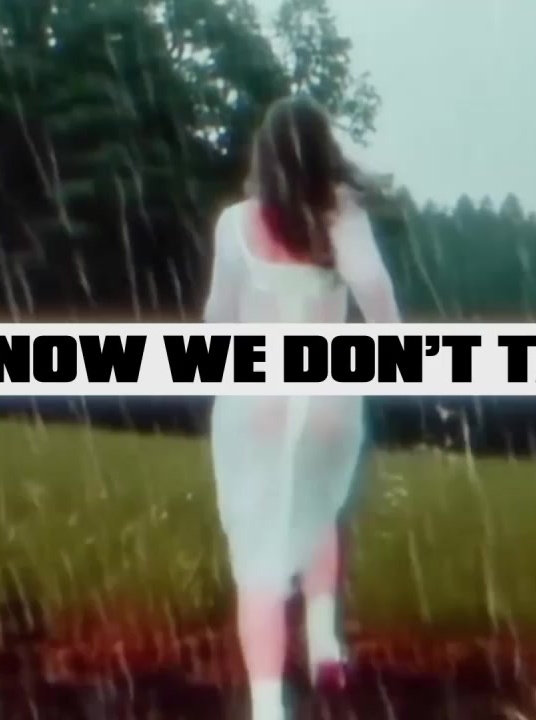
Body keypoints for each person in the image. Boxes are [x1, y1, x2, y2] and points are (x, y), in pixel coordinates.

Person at [201, 95, 402, 720]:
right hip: (329, 405)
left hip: (257, 404)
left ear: (263, 156)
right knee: (320, 506)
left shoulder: (235, 225)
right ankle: (323, 642)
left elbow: (217, 319)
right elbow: (373, 288)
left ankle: (269, 706)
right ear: (324, 152)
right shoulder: (339, 216)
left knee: (258, 559)